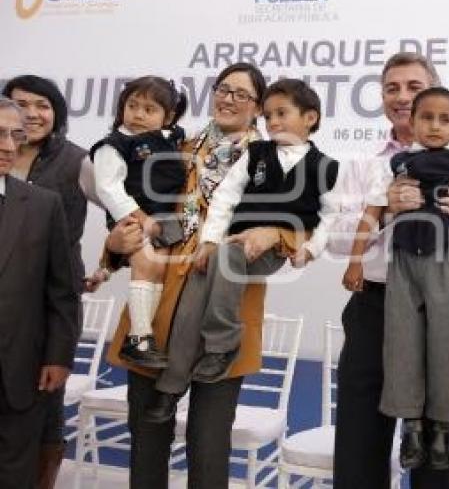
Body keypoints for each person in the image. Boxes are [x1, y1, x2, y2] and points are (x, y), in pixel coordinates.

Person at [103, 63, 295, 488]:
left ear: (259, 107)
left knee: (208, 447)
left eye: (241, 94)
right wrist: (115, 246)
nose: (228, 99)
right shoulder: (171, 149)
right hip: (156, 315)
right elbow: (134, 211)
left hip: (223, 321)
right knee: (147, 438)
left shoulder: (273, 161)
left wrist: (272, 232)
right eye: (223, 89)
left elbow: (294, 223)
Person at [144, 78, 340, 417]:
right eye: (268, 116)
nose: (273, 122)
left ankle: (222, 343)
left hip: (270, 251)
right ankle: (170, 387)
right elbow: (225, 197)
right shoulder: (256, 154)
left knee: (229, 256)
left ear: (310, 118)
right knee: (194, 295)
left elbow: (331, 214)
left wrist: (310, 249)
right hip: (228, 244)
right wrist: (208, 242)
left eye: (282, 113)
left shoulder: (325, 166)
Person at [328, 52, 449, 489]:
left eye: (413, 86)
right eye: (392, 88)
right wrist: (387, 212)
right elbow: (335, 238)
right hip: (373, 309)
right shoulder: (363, 164)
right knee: (359, 444)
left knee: (438, 449)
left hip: (442, 308)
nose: (402, 97)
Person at [2, 74, 97, 489]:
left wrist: (106, 264)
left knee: (21, 459)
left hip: (22, 356)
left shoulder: (60, 181)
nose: (9, 144)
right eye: (2, 133)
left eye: (14, 136)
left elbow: (61, 288)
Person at [90, 76, 188, 367]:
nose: (138, 114)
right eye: (132, 106)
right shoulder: (114, 144)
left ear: (167, 116)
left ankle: (146, 338)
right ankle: (138, 338)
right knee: (146, 264)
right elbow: (108, 187)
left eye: (149, 109)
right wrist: (142, 219)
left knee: (158, 268)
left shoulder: (175, 139)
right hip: (132, 219)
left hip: (164, 219)